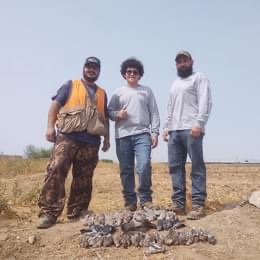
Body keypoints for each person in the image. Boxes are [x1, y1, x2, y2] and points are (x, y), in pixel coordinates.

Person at [37, 57, 110, 229]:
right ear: (84, 68)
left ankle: (78, 211)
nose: (91, 70)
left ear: (99, 71)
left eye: (95, 68)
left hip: (91, 141)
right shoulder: (70, 85)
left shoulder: (102, 93)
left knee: (84, 177)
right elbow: (55, 106)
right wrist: (49, 127)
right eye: (89, 67)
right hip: (67, 136)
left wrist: (107, 139)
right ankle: (49, 212)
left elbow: (105, 118)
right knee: (56, 170)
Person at [162, 51, 212, 220]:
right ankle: (178, 204)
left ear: (191, 61)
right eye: (179, 62)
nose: (182, 64)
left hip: (192, 129)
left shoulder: (199, 78)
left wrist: (199, 123)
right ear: (176, 65)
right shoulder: (175, 83)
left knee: (197, 166)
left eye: (185, 61)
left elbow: (206, 101)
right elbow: (170, 106)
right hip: (174, 131)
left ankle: (198, 204)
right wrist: (166, 127)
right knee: (175, 168)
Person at [108, 57, 160, 211]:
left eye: (135, 72)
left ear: (140, 74)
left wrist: (155, 132)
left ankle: (145, 199)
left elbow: (154, 112)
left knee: (144, 165)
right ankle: (130, 202)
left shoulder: (146, 91)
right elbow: (109, 112)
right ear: (124, 74)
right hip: (122, 136)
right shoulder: (118, 92)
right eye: (128, 71)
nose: (131, 74)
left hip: (142, 133)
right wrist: (118, 114)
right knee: (126, 169)